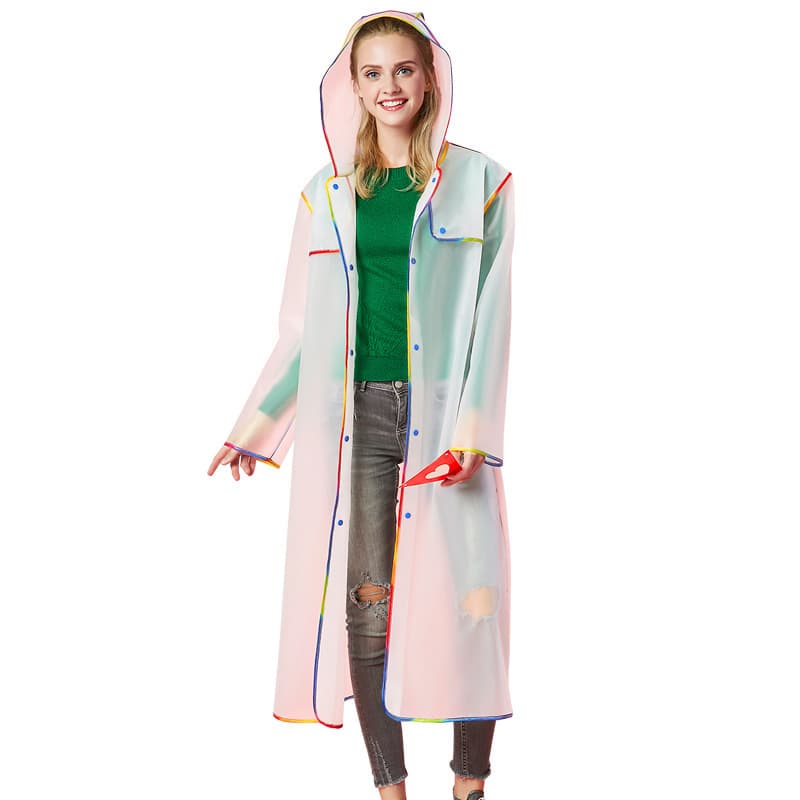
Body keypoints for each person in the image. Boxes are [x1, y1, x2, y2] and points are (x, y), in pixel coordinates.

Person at [208, 11, 515, 800]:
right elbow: (304, 328)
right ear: (353, 85)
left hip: (446, 420)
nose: (389, 87)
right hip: (360, 418)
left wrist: (474, 431)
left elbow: (493, 316)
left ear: (430, 78)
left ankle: (470, 783)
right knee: (367, 600)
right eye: (373, 73)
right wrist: (255, 428)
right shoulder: (328, 193)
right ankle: (390, 788)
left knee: (468, 598)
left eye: (404, 69)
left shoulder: (481, 181)